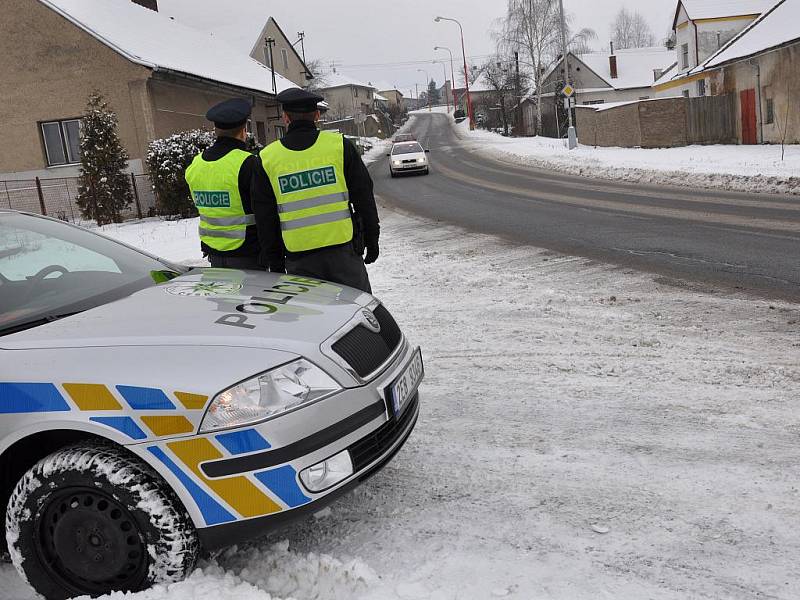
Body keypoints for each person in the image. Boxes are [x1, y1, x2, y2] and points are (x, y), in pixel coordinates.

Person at [251, 88, 380, 293]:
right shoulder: (339, 146)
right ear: (317, 116)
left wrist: (275, 263)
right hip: (343, 253)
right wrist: (372, 238)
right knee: (357, 314)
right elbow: (363, 195)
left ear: (285, 118)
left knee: (312, 320)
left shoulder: (267, 158)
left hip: (299, 260)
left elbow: (265, 217)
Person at [185, 98, 261, 269]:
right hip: (248, 254)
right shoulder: (248, 163)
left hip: (214, 254)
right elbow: (264, 211)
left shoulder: (195, 165)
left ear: (215, 131)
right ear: (244, 130)